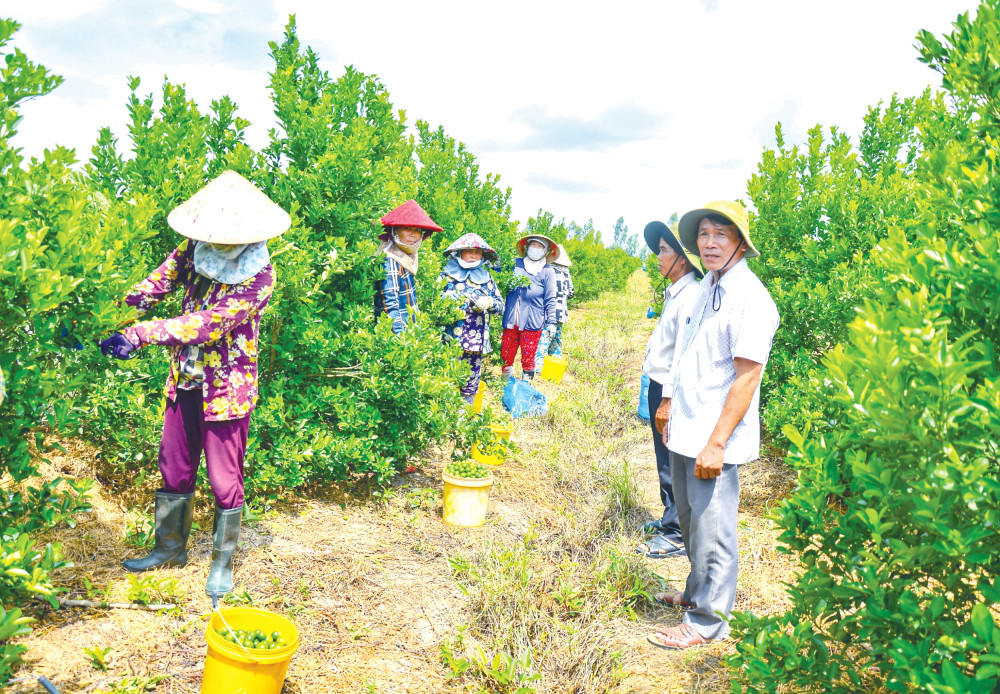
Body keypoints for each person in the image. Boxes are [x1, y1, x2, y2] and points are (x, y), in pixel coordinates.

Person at [99, 171, 290, 600]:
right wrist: (107, 313)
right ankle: (169, 549)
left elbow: (208, 326)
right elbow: (155, 285)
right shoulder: (192, 248)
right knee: (175, 464)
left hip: (228, 388)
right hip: (185, 379)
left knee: (225, 478)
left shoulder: (260, 276)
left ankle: (222, 562)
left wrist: (141, 334)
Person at [648, 200, 778, 650]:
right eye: (703, 234)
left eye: (721, 234)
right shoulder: (708, 286)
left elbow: (746, 377)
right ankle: (695, 593)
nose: (709, 243)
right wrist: (667, 404)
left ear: (741, 242)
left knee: (714, 529)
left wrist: (717, 442)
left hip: (713, 438)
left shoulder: (751, 298)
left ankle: (707, 621)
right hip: (686, 427)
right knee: (689, 520)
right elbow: (686, 349)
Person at [635, 222, 703, 560]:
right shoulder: (675, 291)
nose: (658, 257)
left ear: (683, 258)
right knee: (664, 457)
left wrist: (667, 400)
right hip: (660, 386)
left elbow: (683, 355)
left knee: (672, 458)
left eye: (664, 250)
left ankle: (677, 532)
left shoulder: (690, 296)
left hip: (669, 389)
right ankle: (669, 518)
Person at [439, 233, 505, 404]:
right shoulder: (446, 275)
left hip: (475, 341)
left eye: (477, 252)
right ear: (459, 253)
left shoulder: (487, 279)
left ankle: (464, 417)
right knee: (447, 377)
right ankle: (445, 418)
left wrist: (490, 302)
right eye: (469, 251)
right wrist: (449, 301)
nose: (474, 255)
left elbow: (501, 305)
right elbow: (432, 300)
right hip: (449, 339)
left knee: (471, 380)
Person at [374, 200, 443, 334]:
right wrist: (398, 337)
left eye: (417, 230)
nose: (413, 234)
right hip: (396, 336)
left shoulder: (404, 257)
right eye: (407, 228)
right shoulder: (390, 260)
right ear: (395, 230)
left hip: (409, 332)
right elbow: (390, 305)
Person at [500, 235, 558, 380]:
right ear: (527, 247)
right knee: (506, 354)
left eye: (540, 246)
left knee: (528, 357)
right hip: (511, 319)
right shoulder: (515, 264)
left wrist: (551, 322)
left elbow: (550, 298)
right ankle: (505, 383)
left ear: (546, 251)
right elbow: (499, 277)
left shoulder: (547, 271)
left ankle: (526, 386)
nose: (536, 249)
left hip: (532, 322)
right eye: (533, 245)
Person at [534, 243, 575, 365]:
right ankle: (555, 365)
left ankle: (538, 368)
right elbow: (571, 293)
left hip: (548, 313)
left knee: (543, 340)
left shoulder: (547, 270)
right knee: (556, 341)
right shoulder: (567, 274)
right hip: (561, 314)